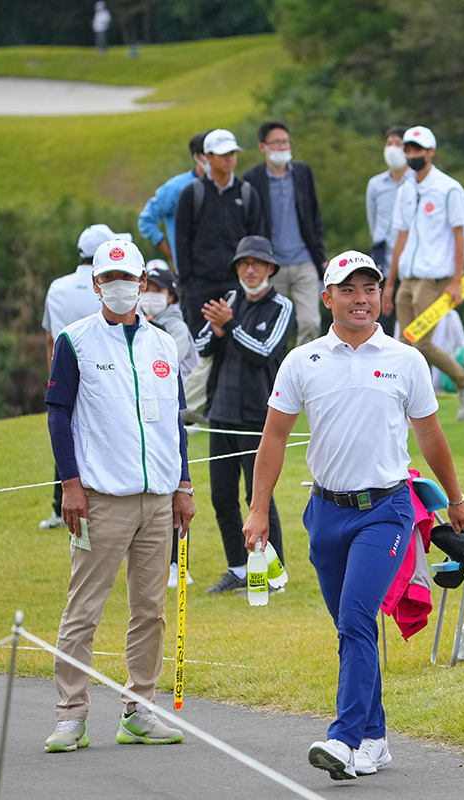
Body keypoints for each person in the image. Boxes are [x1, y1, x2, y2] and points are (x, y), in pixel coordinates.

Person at [241, 250, 464, 780]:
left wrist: (455, 499)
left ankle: (344, 739)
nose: (361, 299)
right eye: (348, 289)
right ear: (328, 298)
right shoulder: (303, 361)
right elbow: (274, 435)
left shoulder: (406, 359)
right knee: (351, 629)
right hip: (325, 512)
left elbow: (430, 435)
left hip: (386, 509)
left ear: (380, 297)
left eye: (370, 289)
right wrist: (257, 510)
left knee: (355, 619)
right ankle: (376, 736)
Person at [43, 238, 194, 753]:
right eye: (110, 279)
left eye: (129, 277)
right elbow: (58, 412)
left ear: (143, 283)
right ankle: (70, 715)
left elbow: (175, 420)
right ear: (96, 284)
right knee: (84, 608)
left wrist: (183, 485)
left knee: (149, 609)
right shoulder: (75, 340)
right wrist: (70, 484)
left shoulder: (161, 343)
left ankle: (140, 711)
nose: (121, 286)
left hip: (157, 500)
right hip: (100, 499)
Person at [195, 236, 295, 595]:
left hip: (258, 418)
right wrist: (220, 329)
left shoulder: (281, 305)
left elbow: (265, 352)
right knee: (221, 496)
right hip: (220, 412)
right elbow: (201, 347)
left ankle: (274, 574)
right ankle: (238, 569)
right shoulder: (231, 302)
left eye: (257, 263)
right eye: (243, 264)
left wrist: (231, 326)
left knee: (259, 498)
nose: (249, 270)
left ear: (270, 268)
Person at [381, 125, 464, 421]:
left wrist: (456, 281)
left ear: (431, 152)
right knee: (404, 346)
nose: (412, 155)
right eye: (409, 150)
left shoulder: (449, 189)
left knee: (419, 342)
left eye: (418, 150)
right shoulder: (406, 188)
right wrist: (388, 285)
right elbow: (400, 238)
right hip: (408, 277)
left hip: (435, 277)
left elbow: (459, 236)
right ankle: (407, 408)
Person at [38, 223, 133, 531]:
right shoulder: (110, 289)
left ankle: (58, 506)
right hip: (105, 371)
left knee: (64, 431)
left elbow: (51, 338)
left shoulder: (57, 287)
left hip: (64, 369)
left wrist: (53, 378)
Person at [174, 128, 266, 419]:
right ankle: (195, 408)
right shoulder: (193, 193)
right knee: (204, 347)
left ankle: (221, 408)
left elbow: (257, 237)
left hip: (236, 283)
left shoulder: (247, 193)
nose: (229, 160)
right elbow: (182, 240)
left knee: (235, 343)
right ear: (208, 157)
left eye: (232, 154)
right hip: (200, 284)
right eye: (223, 154)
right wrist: (187, 280)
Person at [140, 259, 200, 588]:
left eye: (157, 290)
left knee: (178, 492)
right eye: (146, 289)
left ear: (171, 296)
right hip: (146, 419)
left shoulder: (173, 327)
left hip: (172, 418)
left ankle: (180, 565)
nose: (150, 295)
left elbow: (166, 368)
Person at [242, 120, 326, 346]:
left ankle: (304, 371)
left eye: (285, 141)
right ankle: (277, 375)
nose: (282, 147)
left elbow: (314, 216)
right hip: (271, 265)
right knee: (270, 326)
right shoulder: (252, 179)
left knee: (311, 323)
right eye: (276, 142)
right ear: (263, 147)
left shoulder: (302, 172)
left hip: (304, 261)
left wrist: (322, 259)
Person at [137, 131, 209, 273]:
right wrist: (171, 254)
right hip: (189, 272)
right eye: (212, 154)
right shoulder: (177, 187)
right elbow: (146, 221)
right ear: (199, 157)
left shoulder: (230, 187)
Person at [367, 125, 411, 331]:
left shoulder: (417, 182)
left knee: (412, 328)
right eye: (389, 143)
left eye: (398, 143)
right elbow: (373, 222)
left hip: (411, 264)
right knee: (382, 322)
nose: (393, 148)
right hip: (383, 262)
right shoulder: (376, 185)